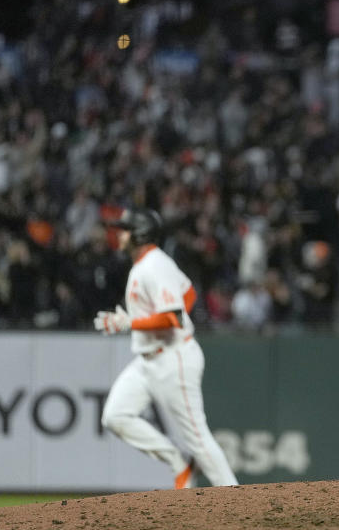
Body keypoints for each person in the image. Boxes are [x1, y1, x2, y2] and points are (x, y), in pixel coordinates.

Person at [94, 209, 238, 488]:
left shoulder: (153, 266)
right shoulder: (148, 264)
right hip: (148, 360)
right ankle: (178, 461)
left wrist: (130, 322)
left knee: (198, 438)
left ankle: (240, 502)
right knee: (115, 415)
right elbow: (188, 294)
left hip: (174, 358)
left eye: (124, 229)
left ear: (139, 233)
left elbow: (173, 317)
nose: (118, 233)